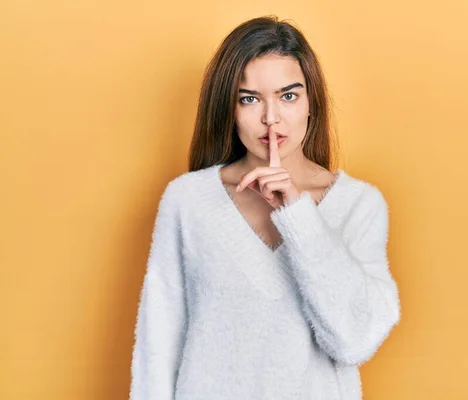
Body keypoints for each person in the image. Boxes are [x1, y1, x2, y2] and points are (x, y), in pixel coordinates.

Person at [129, 15, 401, 400]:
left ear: (311, 104)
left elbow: (354, 340)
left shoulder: (360, 205)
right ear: (229, 108)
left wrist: (298, 216)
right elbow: (157, 345)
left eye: (288, 96)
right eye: (250, 99)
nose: (270, 118)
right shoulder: (187, 201)